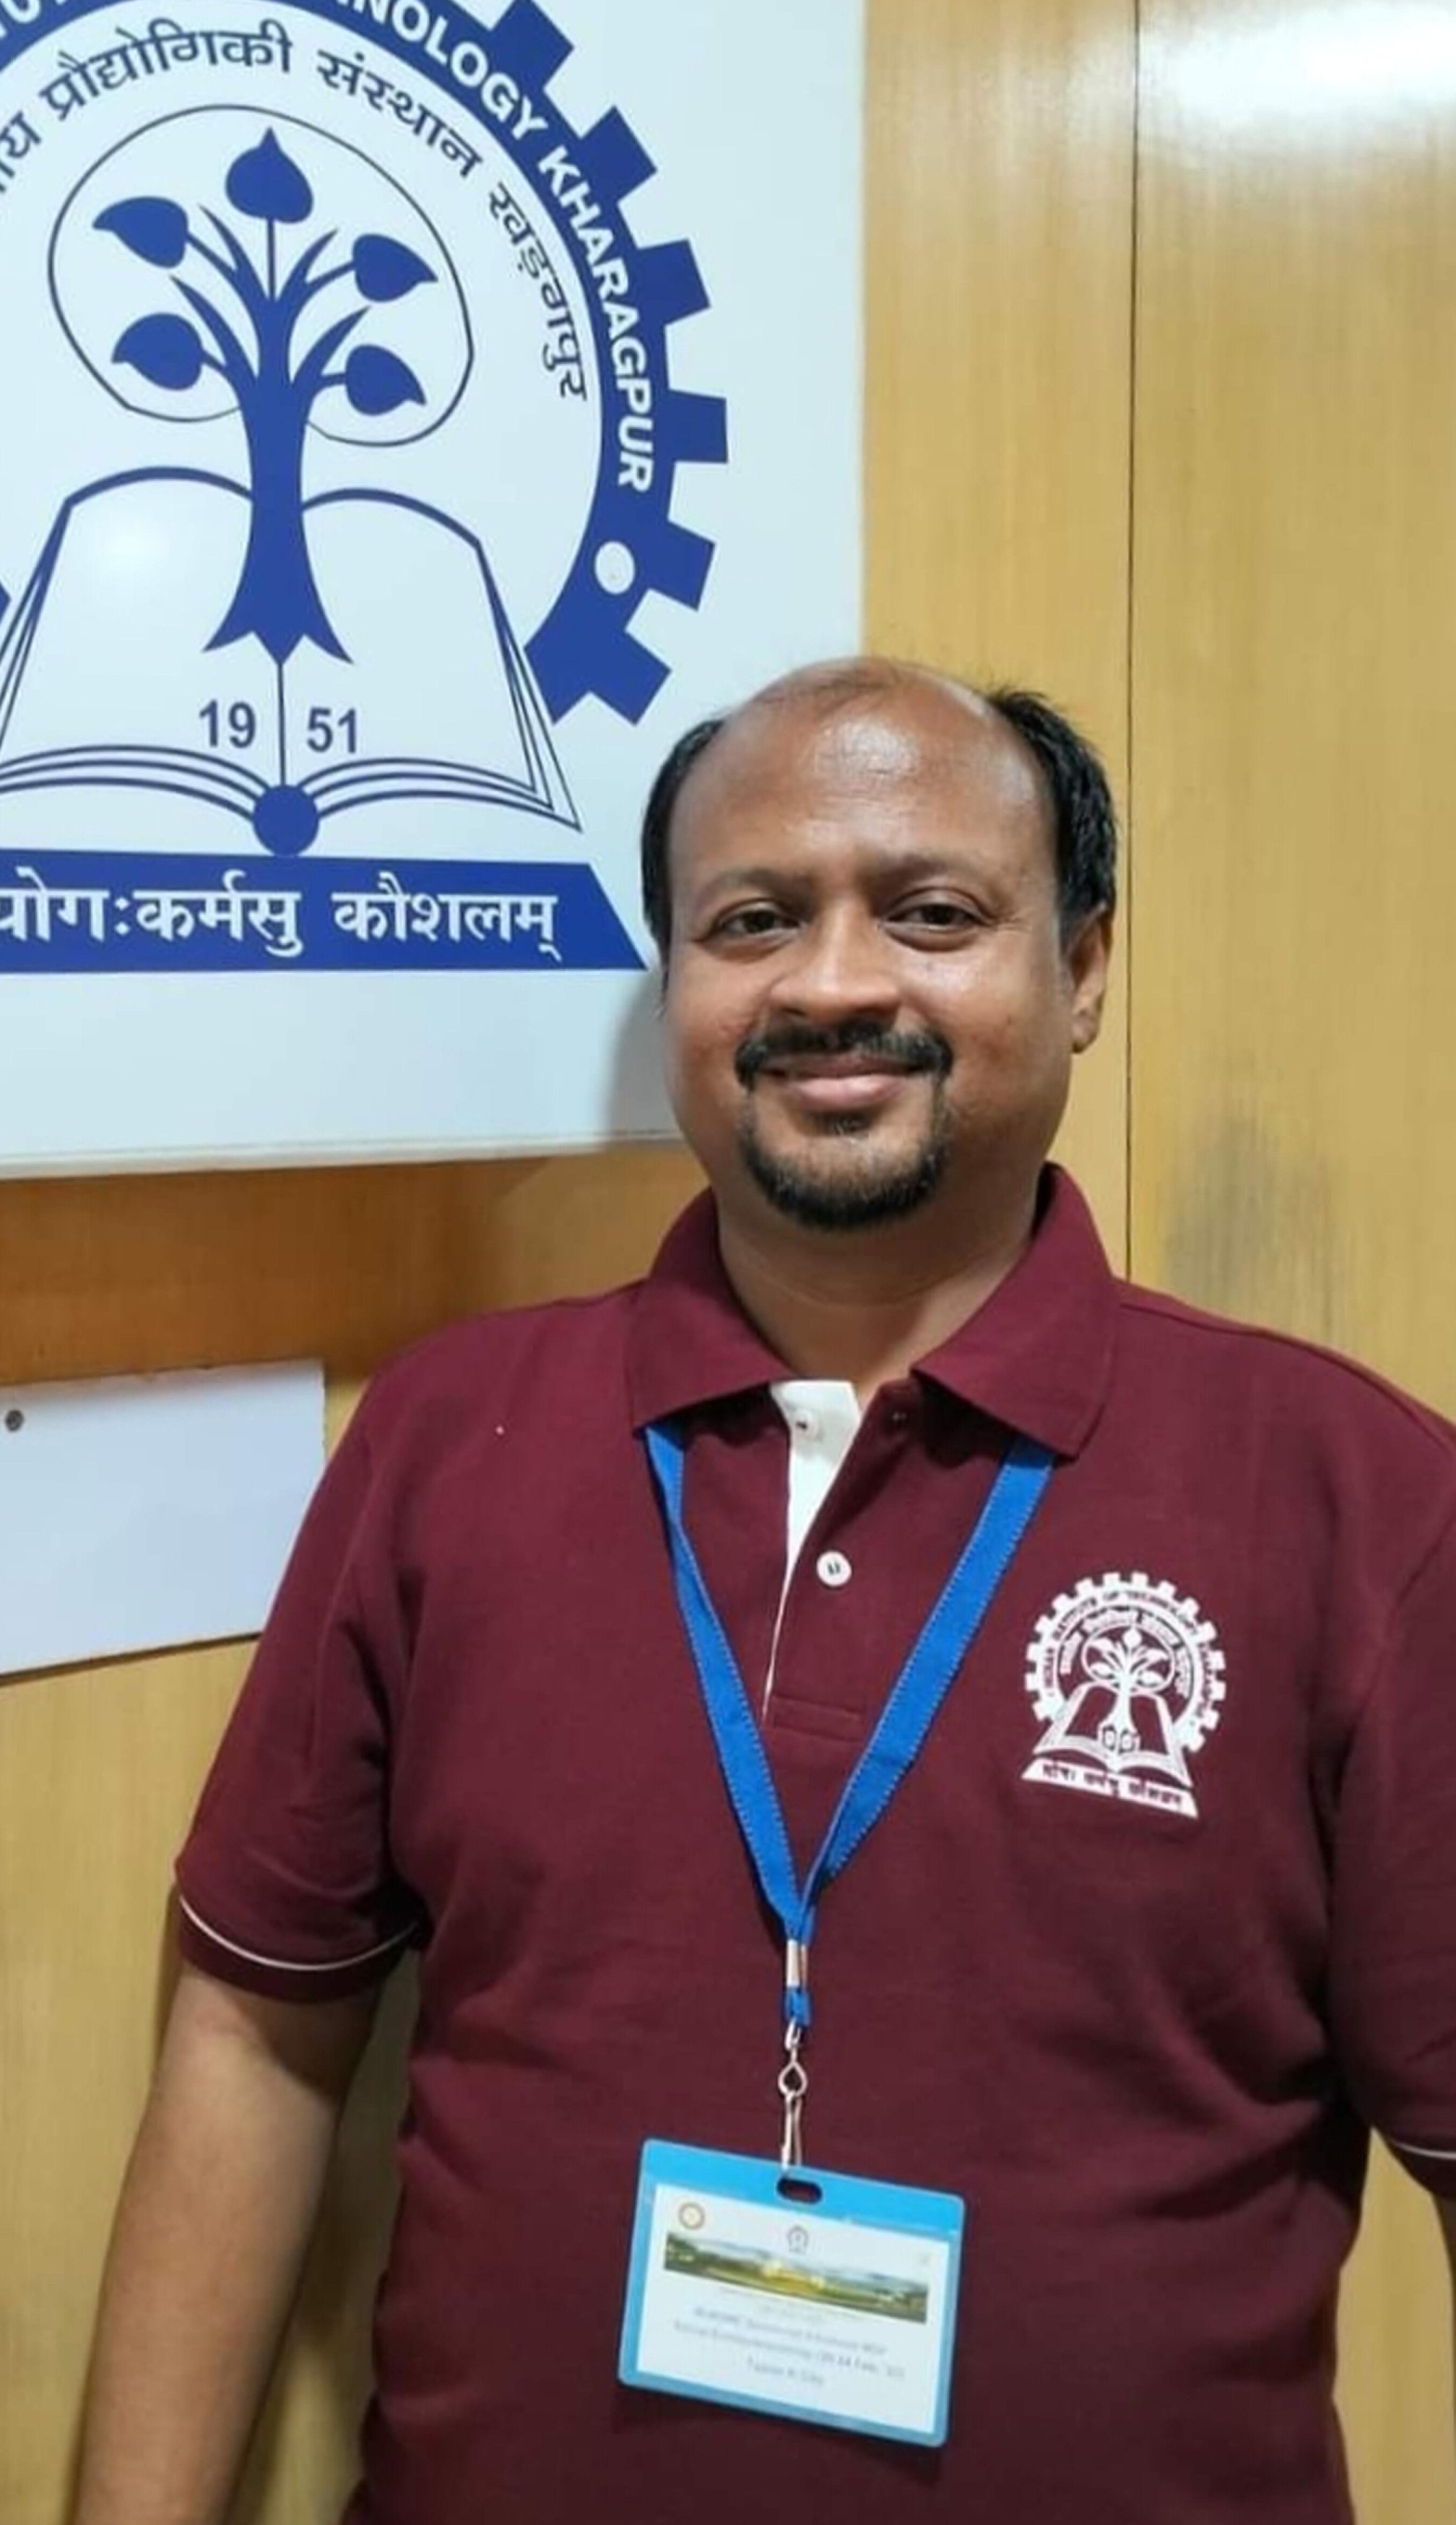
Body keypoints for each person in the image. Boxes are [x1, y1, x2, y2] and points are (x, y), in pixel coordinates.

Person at [73, 660, 1456, 2524]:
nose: (830, 983)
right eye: (753, 921)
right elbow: (254, 2036)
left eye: (933, 912)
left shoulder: (1361, 1499)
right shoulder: (448, 1438)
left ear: (1084, 966)